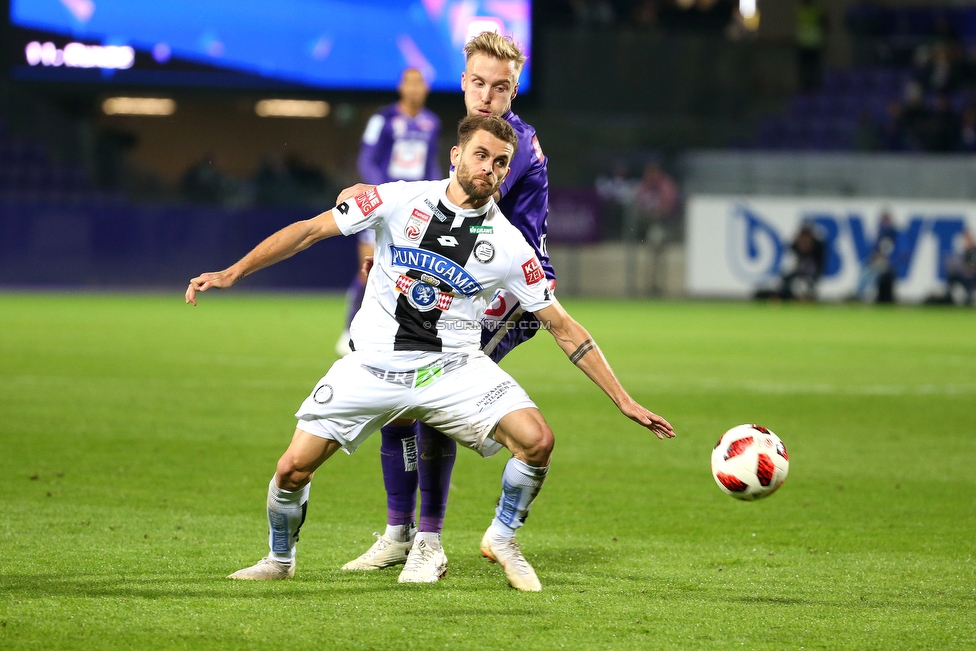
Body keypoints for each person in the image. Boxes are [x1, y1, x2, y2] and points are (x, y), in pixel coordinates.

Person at [185, 115, 675, 592]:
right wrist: (232, 272)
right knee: (292, 469)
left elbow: (563, 327)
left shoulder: (510, 245)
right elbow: (310, 231)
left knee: (537, 441)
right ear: (456, 155)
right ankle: (280, 558)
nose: (490, 168)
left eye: (502, 162)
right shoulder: (398, 199)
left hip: (452, 369)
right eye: (481, 155)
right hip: (371, 365)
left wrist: (624, 400)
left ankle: (501, 537)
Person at [337, 32, 558, 583]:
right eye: (478, 83)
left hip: (509, 297)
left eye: (500, 88)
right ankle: (397, 534)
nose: (487, 96)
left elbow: (478, 234)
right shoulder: (467, 135)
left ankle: (429, 541)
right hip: (462, 283)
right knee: (391, 381)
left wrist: (402, 264)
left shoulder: (514, 147)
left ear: (513, 92)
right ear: (463, 82)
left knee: (433, 389)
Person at [336, 67, 442, 357]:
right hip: (383, 204)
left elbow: (431, 164)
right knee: (367, 271)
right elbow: (366, 158)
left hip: (415, 209)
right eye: (410, 83)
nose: (415, 88)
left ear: (426, 89)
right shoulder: (382, 119)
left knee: (412, 272)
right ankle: (349, 331)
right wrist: (381, 191)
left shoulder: (432, 123)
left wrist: (435, 192)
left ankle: (403, 333)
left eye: (420, 83)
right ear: (401, 87)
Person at [849, 210, 897, 303]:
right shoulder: (882, 233)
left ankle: (860, 295)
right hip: (878, 261)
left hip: (885, 263)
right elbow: (877, 250)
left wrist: (882, 259)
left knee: (869, 274)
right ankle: (860, 294)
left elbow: (887, 251)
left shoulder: (890, 233)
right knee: (866, 272)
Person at [778, 222, 826, 300]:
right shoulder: (796, 244)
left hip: (812, 271)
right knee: (786, 279)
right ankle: (787, 297)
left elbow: (820, 263)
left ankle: (809, 298)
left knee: (808, 283)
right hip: (800, 269)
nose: (804, 240)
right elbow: (791, 255)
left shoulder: (818, 246)